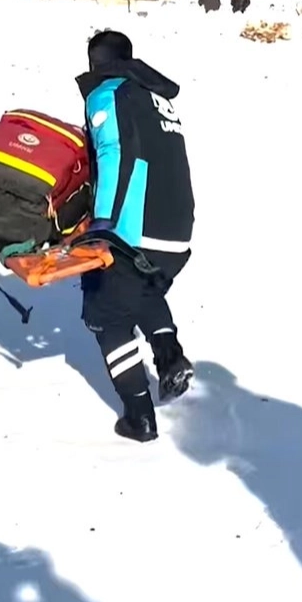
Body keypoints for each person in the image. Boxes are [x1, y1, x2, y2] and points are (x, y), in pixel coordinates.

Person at [74, 30, 196, 443]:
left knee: (107, 315)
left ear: (96, 63)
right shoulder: (156, 98)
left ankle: (138, 415)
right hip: (175, 229)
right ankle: (170, 357)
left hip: (135, 227)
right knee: (141, 289)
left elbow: (116, 155)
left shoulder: (108, 93)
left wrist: (103, 224)